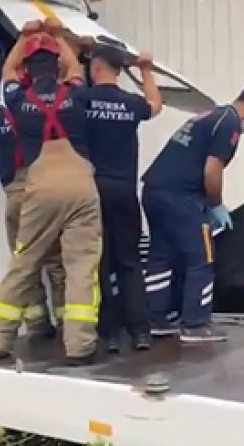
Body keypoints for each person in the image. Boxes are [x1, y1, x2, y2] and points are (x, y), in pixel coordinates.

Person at [0, 17, 102, 365]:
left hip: (40, 186)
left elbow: (7, 69)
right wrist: (55, 35)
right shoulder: (77, 92)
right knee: (80, 265)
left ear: (29, 69)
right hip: (81, 185)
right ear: (57, 66)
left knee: (25, 261)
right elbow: (73, 64)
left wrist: (24, 38)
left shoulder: (18, 100)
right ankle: (80, 346)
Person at [140, 84, 244, 343]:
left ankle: (156, 319)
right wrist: (216, 204)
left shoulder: (209, 116)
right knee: (202, 259)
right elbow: (212, 170)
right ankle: (195, 325)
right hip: (182, 197)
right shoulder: (229, 124)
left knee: (162, 256)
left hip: (154, 191)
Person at [81, 45, 162, 353]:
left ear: (97, 67)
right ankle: (140, 332)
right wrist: (145, 69)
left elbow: (69, 83)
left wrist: (67, 43)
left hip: (93, 191)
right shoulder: (131, 103)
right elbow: (155, 104)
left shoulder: (82, 100)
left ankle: (109, 334)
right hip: (125, 191)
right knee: (130, 263)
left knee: (100, 264)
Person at [0, 97, 64, 339]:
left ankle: (36, 323)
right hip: (41, 192)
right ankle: (64, 322)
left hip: (14, 197)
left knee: (24, 262)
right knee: (55, 261)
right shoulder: (39, 113)